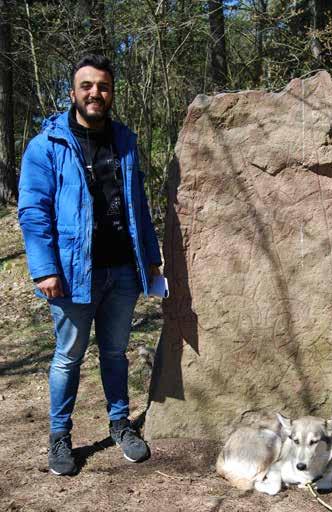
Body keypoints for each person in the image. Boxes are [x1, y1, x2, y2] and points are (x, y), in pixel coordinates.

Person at [18, 54, 162, 476]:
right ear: (73, 93)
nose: (95, 93)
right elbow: (33, 211)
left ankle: (121, 424)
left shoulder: (126, 141)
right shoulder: (47, 145)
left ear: (111, 92)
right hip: (71, 274)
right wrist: (44, 268)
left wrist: (151, 260)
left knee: (115, 353)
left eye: (102, 86)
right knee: (68, 356)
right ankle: (59, 435)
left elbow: (139, 206)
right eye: (87, 86)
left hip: (122, 272)